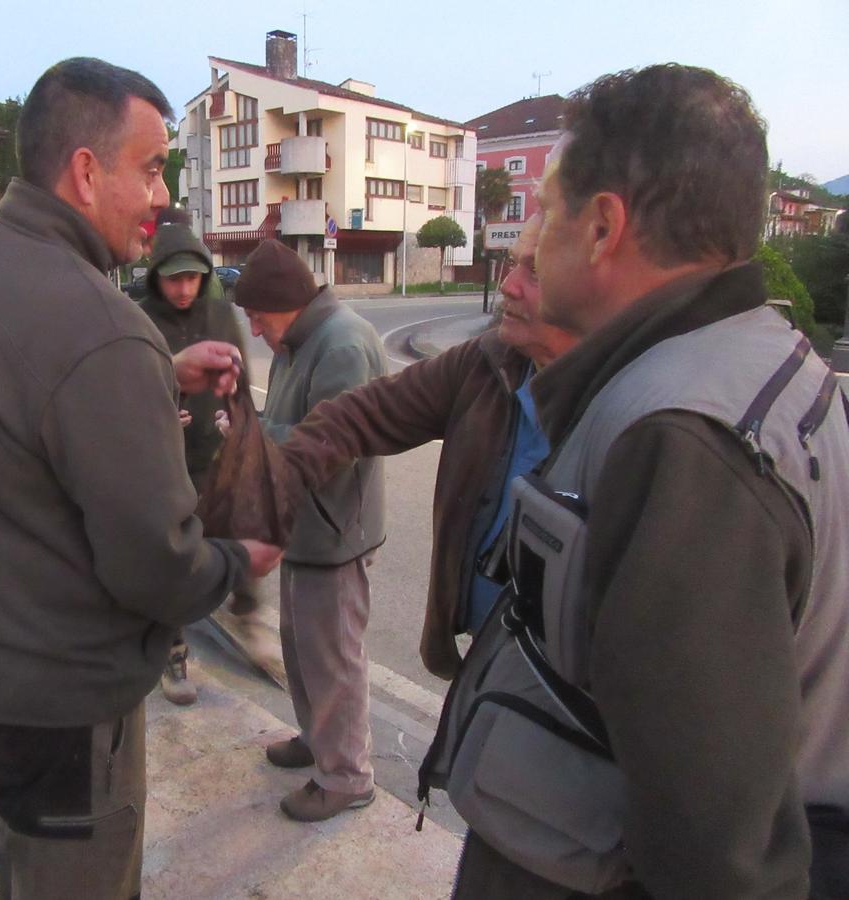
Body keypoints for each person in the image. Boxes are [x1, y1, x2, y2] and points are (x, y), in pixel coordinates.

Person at [433, 64, 849, 899]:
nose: (534, 240)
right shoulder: (762, 355)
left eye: (546, 212)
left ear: (601, 229)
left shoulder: (678, 438)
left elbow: (714, 853)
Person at [0, 57, 282, 900]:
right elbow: (157, 564)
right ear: (83, 170)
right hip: (62, 697)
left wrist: (153, 375)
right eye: (149, 168)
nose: (159, 196)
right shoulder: (102, 329)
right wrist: (237, 560)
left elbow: (13, 421)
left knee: (24, 859)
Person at [278, 214, 576, 681]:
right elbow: (364, 414)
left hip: (562, 689)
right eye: (513, 264)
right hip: (487, 653)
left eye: (534, 271)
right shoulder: (488, 359)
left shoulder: (631, 400)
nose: (508, 286)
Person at [231, 239, 386, 822]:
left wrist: (252, 437)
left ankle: (347, 776)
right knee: (302, 650)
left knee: (334, 658)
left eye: (256, 318)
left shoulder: (343, 343)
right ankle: (318, 742)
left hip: (334, 530)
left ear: (282, 305)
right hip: (303, 527)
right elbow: (286, 422)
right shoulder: (299, 340)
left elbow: (332, 450)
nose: (254, 331)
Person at [139, 219, 254, 705]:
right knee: (173, 562)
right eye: (173, 278)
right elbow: (121, 392)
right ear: (156, 277)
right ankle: (173, 649)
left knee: (237, 538)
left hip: (217, 455)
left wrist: (246, 430)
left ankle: (247, 615)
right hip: (165, 463)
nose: (184, 288)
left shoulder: (221, 314)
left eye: (192, 277)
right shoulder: (137, 317)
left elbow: (240, 377)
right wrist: (161, 413)